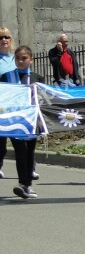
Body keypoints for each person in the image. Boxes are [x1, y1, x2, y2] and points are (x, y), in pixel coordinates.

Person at [0, 46, 45, 199]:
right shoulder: (6, 77)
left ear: (31, 59)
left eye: (24, 58)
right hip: (13, 121)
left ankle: (27, 185)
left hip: (31, 122)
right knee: (21, 151)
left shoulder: (37, 78)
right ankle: (23, 184)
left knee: (30, 152)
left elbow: (43, 100)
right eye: (18, 58)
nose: (20, 61)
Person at [0, 27, 16, 179]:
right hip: (2, 104)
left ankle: (29, 168)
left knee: (22, 138)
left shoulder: (16, 59)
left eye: (7, 37)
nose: (4, 40)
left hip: (17, 103)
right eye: (1, 38)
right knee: (1, 143)